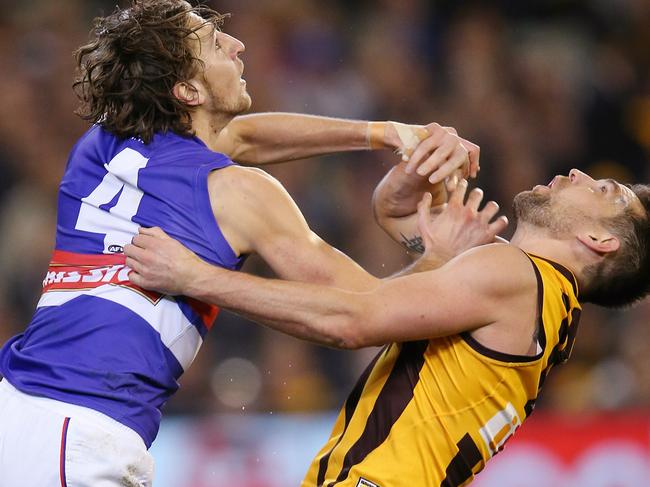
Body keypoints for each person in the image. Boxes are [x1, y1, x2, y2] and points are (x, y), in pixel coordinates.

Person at [0, 1, 485, 486]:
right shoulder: (238, 195)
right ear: (187, 90)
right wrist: (437, 257)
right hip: (78, 436)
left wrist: (386, 133)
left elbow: (242, 136)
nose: (237, 45)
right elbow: (365, 314)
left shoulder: (101, 145)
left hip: (23, 409)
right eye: (214, 44)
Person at [125, 164, 650, 486]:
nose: (581, 176)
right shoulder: (544, 305)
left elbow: (353, 318)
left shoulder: (511, 275)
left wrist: (197, 277)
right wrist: (404, 193)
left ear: (600, 242)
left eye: (606, 190)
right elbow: (397, 248)